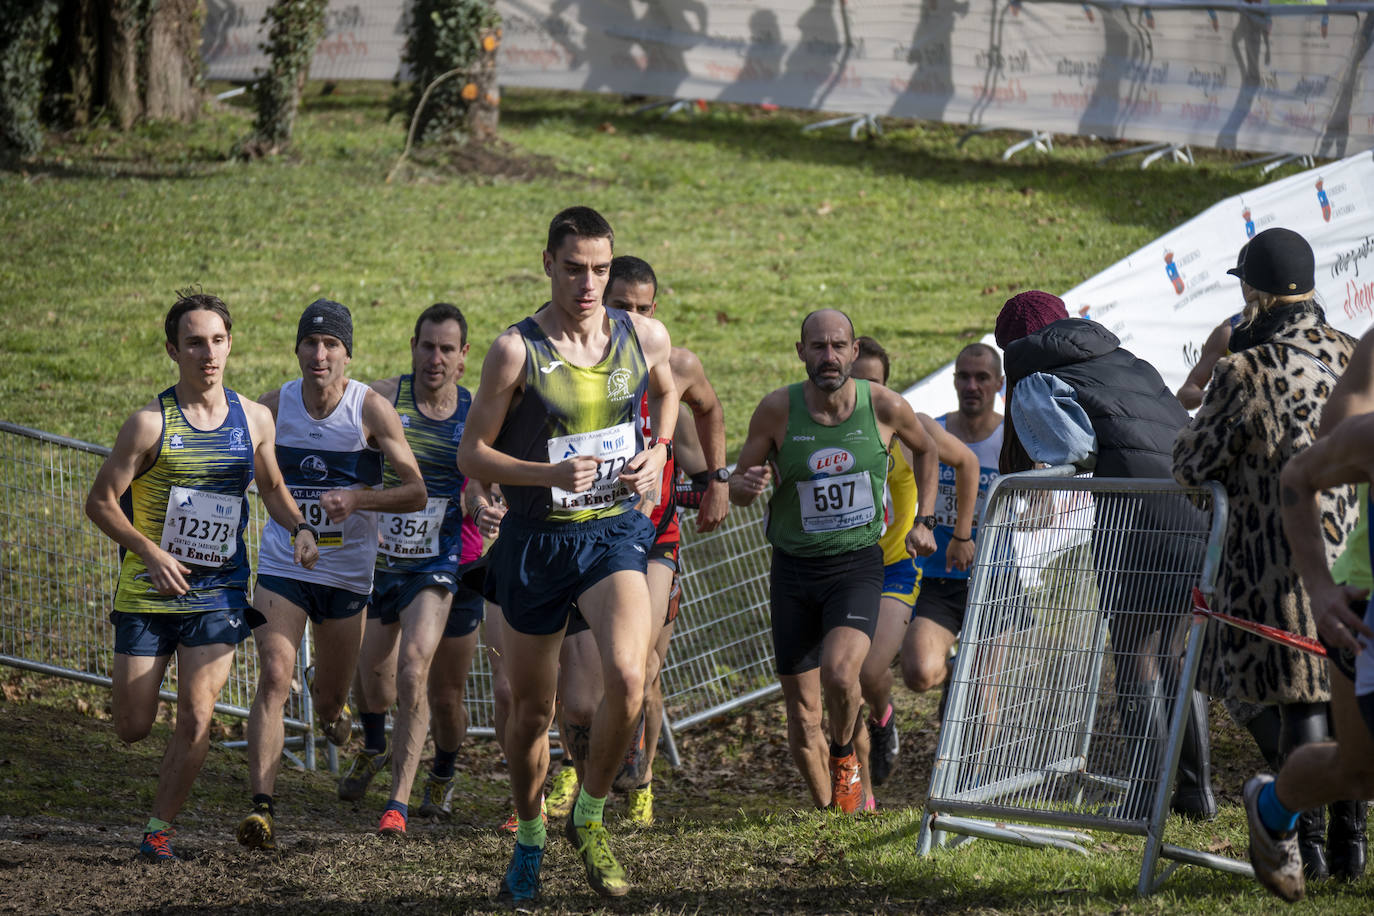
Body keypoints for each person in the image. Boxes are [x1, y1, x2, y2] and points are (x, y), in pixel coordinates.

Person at [456, 206, 677, 904]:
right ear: (548, 263)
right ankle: (529, 833)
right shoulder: (515, 351)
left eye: (601, 268)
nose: (589, 282)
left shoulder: (642, 335)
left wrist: (659, 452)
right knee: (530, 713)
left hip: (611, 532)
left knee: (628, 677)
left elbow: (669, 394)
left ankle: (591, 811)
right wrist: (546, 475)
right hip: (534, 542)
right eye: (575, 267)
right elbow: (473, 453)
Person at [84, 292, 319, 862]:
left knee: (197, 715)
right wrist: (149, 551)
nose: (207, 353)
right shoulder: (147, 424)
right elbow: (100, 502)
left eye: (217, 340)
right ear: (173, 350)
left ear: (230, 344)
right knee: (132, 726)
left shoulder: (254, 418)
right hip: (148, 590)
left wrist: (300, 527)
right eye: (194, 342)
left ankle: (156, 831)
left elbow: (270, 487)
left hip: (218, 592)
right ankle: (154, 803)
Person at [1174, 227, 1359, 883]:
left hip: (1276, 562)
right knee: (1349, 705)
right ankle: (1350, 849)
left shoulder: (1246, 369)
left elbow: (1192, 466)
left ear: (1253, 290)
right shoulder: (1350, 351)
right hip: (1355, 555)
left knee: (1301, 707)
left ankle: (1303, 848)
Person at [997, 288, 1216, 822]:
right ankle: (1195, 793)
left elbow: (1071, 450)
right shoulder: (1123, 357)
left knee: (1137, 650)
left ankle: (1145, 796)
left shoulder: (1035, 373)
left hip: (1137, 511)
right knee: (1174, 650)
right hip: (1199, 504)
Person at [237, 298, 427, 851]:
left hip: (346, 578)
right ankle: (262, 809)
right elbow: (256, 478)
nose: (319, 355)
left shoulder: (369, 410)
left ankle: (334, 715)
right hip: (285, 564)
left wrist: (360, 498)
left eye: (331, 346)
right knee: (275, 676)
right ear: (297, 348)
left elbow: (415, 492)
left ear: (348, 354)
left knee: (326, 701)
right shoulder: (274, 408)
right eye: (310, 343)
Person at [730, 309, 938, 813]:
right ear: (800, 351)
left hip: (855, 565)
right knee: (802, 715)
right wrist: (745, 485)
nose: (829, 356)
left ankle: (845, 753)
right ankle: (831, 811)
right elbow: (738, 486)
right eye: (818, 347)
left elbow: (928, 450)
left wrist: (924, 520)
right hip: (794, 570)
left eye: (838, 346)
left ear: (853, 349)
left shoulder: (884, 406)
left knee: (843, 676)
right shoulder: (777, 410)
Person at [556, 254, 730, 827]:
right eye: (619, 306)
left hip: (655, 534)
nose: (630, 316)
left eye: (641, 307)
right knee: (580, 685)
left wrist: (716, 481)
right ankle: (582, 772)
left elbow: (710, 410)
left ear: (656, 310)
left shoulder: (673, 362)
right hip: (589, 534)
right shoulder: (578, 360)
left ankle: (643, 777)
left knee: (644, 667)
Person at [334, 303, 477, 840]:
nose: (434, 359)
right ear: (413, 346)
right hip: (380, 561)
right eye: (426, 346)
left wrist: (487, 503)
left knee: (425, 677)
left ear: (463, 357)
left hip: (441, 562)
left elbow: (489, 471)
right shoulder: (384, 398)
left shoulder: (475, 409)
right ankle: (373, 745)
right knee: (372, 682)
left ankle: (418, 786)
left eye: (446, 349)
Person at [1247, 328, 1374, 902]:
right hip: (1366, 606)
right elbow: (1302, 472)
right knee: (1359, 771)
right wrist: (1320, 590)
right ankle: (1272, 809)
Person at [849, 336, 976, 792]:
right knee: (844, 677)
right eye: (855, 380)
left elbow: (967, 463)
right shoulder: (823, 426)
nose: (866, 392)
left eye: (875, 383)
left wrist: (958, 533)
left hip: (895, 568)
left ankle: (882, 726)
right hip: (843, 571)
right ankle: (870, 750)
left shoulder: (909, 427)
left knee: (866, 671)